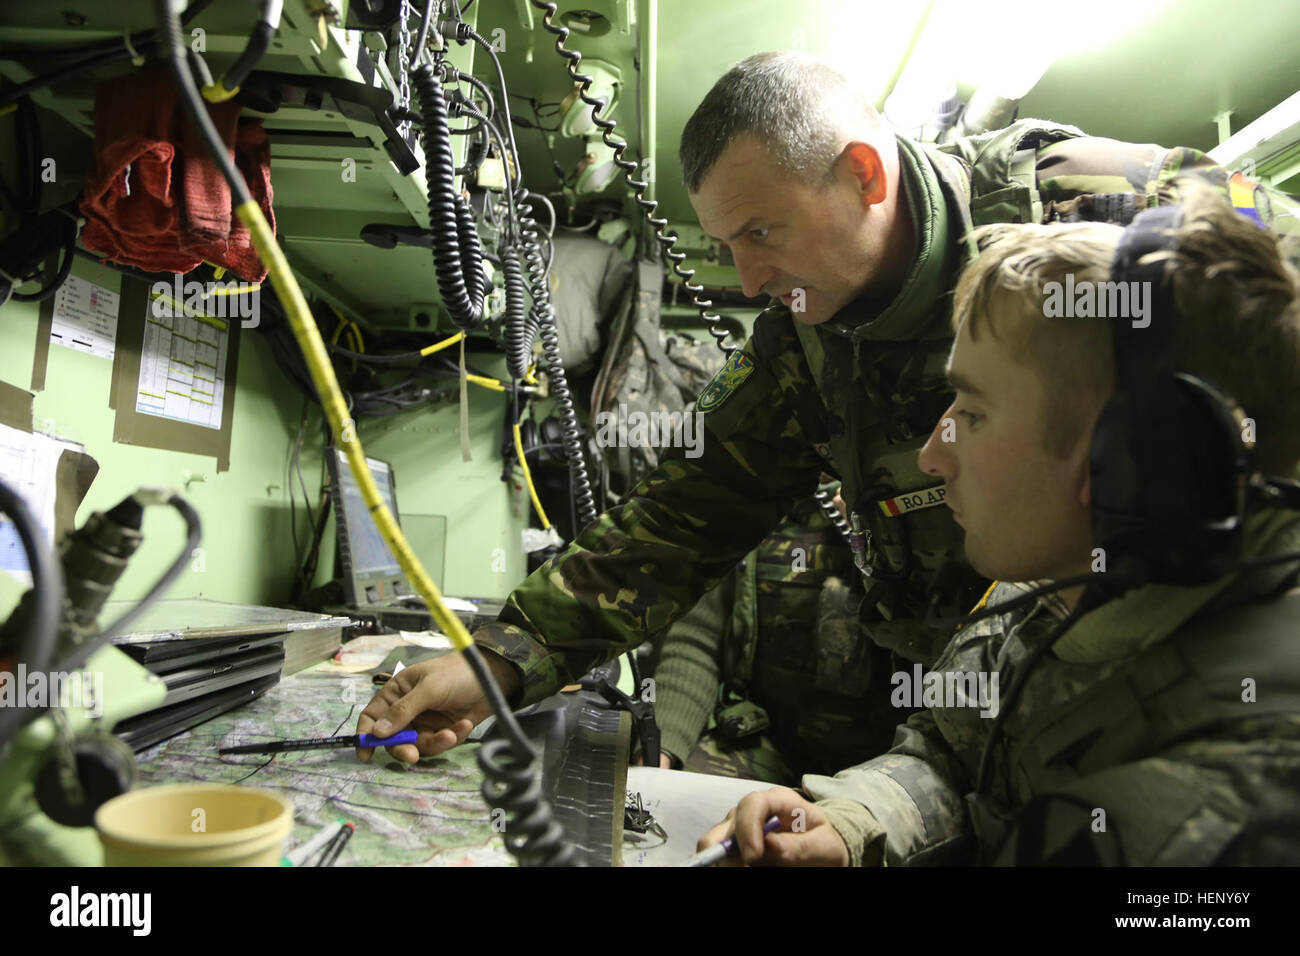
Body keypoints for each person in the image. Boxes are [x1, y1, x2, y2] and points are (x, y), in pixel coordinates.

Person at [354, 51, 1299, 767]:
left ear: (863, 174)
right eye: (728, 246)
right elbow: (685, 513)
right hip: (956, 721)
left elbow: (1281, 281)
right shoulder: (803, 339)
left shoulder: (1095, 198)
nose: (750, 278)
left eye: (762, 232)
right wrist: (500, 660)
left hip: (1174, 680)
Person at [696, 181, 1300, 866]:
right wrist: (849, 824)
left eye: (974, 414)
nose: (931, 455)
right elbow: (952, 754)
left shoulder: (1237, 802)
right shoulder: (1055, 587)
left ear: (1134, 461)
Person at [651, 489, 907, 783]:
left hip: (889, 756)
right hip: (767, 741)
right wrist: (662, 747)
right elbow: (699, 639)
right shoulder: (754, 493)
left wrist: (882, 529)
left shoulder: (907, 491)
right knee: (677, 807)